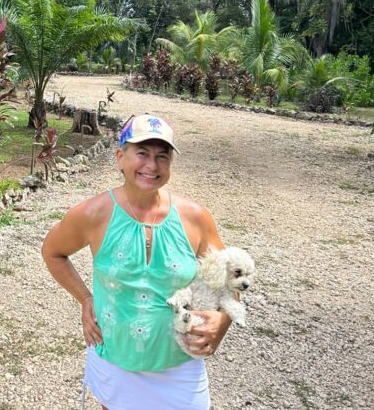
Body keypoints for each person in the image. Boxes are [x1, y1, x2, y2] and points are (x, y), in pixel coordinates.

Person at [41, 113, 233, 410]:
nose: (152, 165)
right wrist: (85, 298)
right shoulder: (93, 214)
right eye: (142, 153)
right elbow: (53, 252)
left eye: (162, 156)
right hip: (115, 357)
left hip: (180, 362)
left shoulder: (195, 217)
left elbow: (230, 278)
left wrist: (223, 320)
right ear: (120, 158)